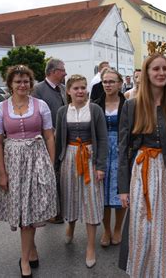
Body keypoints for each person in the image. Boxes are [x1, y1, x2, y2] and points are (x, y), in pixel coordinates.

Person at [118, 53, 166, 277]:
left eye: (165, 69)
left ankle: (163, 272)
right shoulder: (132, 106)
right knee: (141, 228)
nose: (161, 73)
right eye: (155, 69)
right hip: (141, 173)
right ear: (146, 73)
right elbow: (123, 150)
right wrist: (122, 188)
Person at [0, 65, 57, 278]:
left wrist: (50, 164)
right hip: (13, 163)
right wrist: (2, 172)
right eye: (18, 81)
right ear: (10, 84)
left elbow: (49, 136)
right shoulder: (1, 108)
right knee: (22, 212)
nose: (22, 85)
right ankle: (32, 249)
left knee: (33, 209)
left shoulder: (41, 105)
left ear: (31, 83)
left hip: (37, 159)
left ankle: (24, 259)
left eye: (26, 81)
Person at [55, 74, 108, 268]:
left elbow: (102, 139)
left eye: (83, 87)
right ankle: (70, 225)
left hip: (90, 156)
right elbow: (59, 138)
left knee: (91, 200)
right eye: (76, 88)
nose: (80, 91)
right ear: (68, 91)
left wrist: (101, 166)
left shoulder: (94, 110)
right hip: (69, 157)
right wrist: (56, 165)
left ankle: (90, 247)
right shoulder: (62, 111)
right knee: (70, 196)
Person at [94, 68, 127, 247]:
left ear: (120, 83)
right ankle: (106, 230)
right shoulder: (96, 104)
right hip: (102, 151)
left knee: (121, 191)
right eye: (105, 82)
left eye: (111, 81)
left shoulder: (128, 104)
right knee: (103, 193)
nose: (107, 85)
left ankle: (118, 228)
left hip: (121, 151)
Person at [32, 58, 67, 224]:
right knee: (47, 176)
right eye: (62, 70)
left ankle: (57, 209)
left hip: (63, 140)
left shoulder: (63, 89)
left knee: (59, 175)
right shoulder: (37, 90)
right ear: (53, 72)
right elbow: (33, 114)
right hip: (45, 142)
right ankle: (49, 212)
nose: (65, 73)